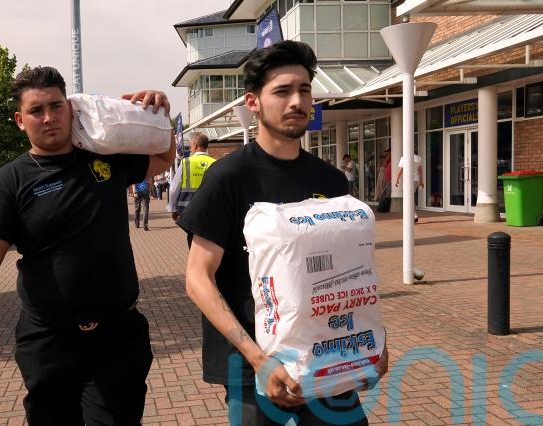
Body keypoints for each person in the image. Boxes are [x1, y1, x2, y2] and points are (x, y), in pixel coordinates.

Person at [178, 41, 388, 425]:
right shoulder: (228, 178)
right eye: (282, 91)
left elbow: (349, 270)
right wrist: (258, 358)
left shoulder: (331, 180)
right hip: (254, 366)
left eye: (304, 90)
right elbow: (198, 278)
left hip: (326, 355)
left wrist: (372, 338)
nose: (296, 101)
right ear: (253, 102)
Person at [0, 66, 175, 425]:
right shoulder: (10, 181)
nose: (49, 117)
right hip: (48, 341)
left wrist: (160, 114)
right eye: (36, 110)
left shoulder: (105, 157)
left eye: (56, 106)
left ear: (70, 108)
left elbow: (164, 159)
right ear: (20, 120)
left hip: (117, 336)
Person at [167, 132, 216, 245]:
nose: (190, 147)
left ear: (195, 146)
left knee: (192, 238)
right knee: (207, 239)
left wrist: (173, 209)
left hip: (188, 210)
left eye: (190, 144)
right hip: (210, 209)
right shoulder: (215, 162)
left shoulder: (186, 162)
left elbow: (174, 188)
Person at [395, 152, 424, 222]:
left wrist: (397, 180)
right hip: (416, 180)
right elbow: (420, 171)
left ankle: (412, 215)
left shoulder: (403, 158)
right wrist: (421, 181)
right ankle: (413, 215)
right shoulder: (418, 158)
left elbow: (400, 170)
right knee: (411, 197)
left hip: (407, 181)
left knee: (408, 198)